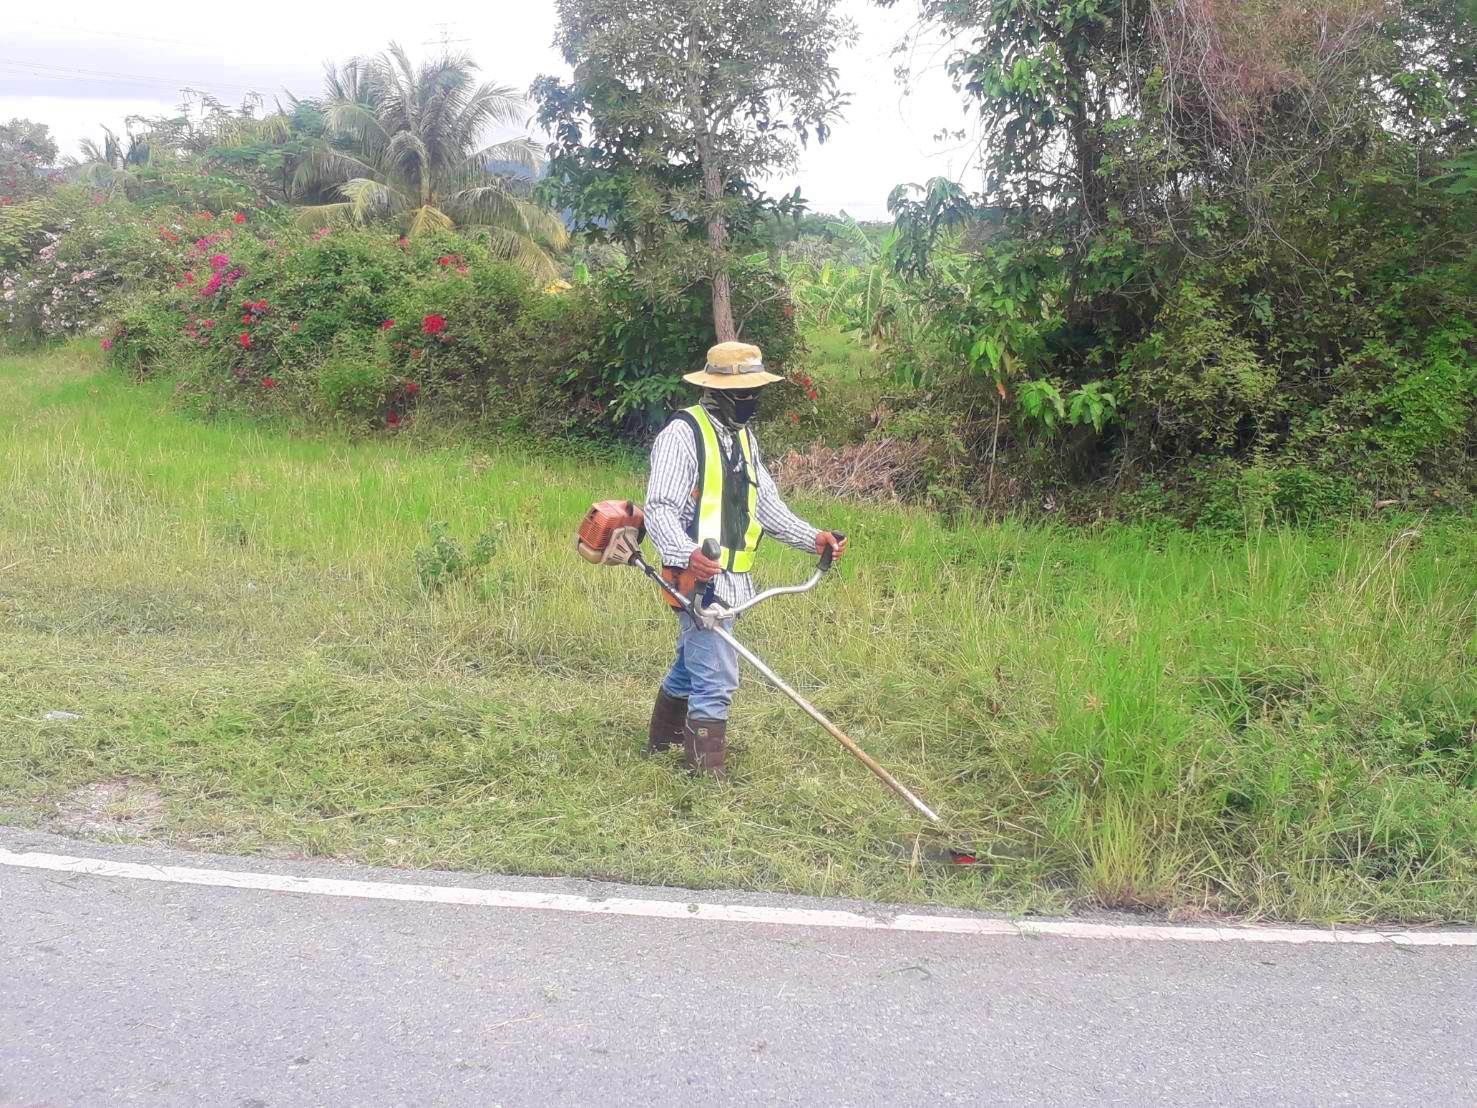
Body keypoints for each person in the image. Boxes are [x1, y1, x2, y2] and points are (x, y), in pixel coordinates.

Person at [643, 341, 847, 779]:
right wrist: (686, 555)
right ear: (716, 391)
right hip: (696, 581)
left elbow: (767, 506)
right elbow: (659, 508)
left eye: (755, 393)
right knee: (716, 676)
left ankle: (662, 741)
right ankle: (707, 777)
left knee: (692, 663)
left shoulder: (743, 438)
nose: (751, 402)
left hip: (735, 582)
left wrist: (813, 539)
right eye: (743, 394)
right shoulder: (683, 434)